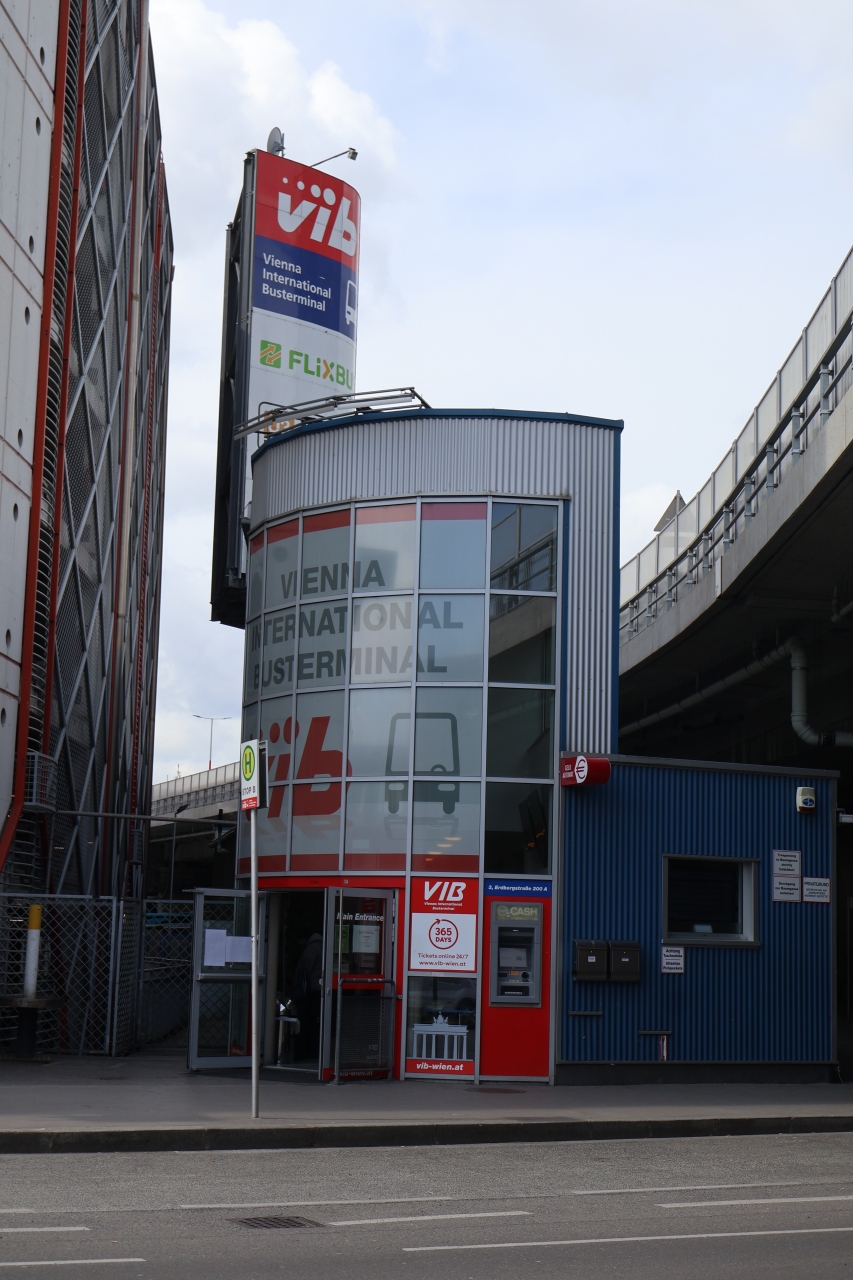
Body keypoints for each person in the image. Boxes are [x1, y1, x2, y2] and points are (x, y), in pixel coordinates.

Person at [291, 932, 323, 1058]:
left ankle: (306, 1050)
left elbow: (305, 968)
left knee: (308, 1019)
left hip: (312, 988)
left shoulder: (312, 948)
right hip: (319, 987)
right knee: (315, 1020)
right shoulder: (321, 945)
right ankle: (314, 1049)